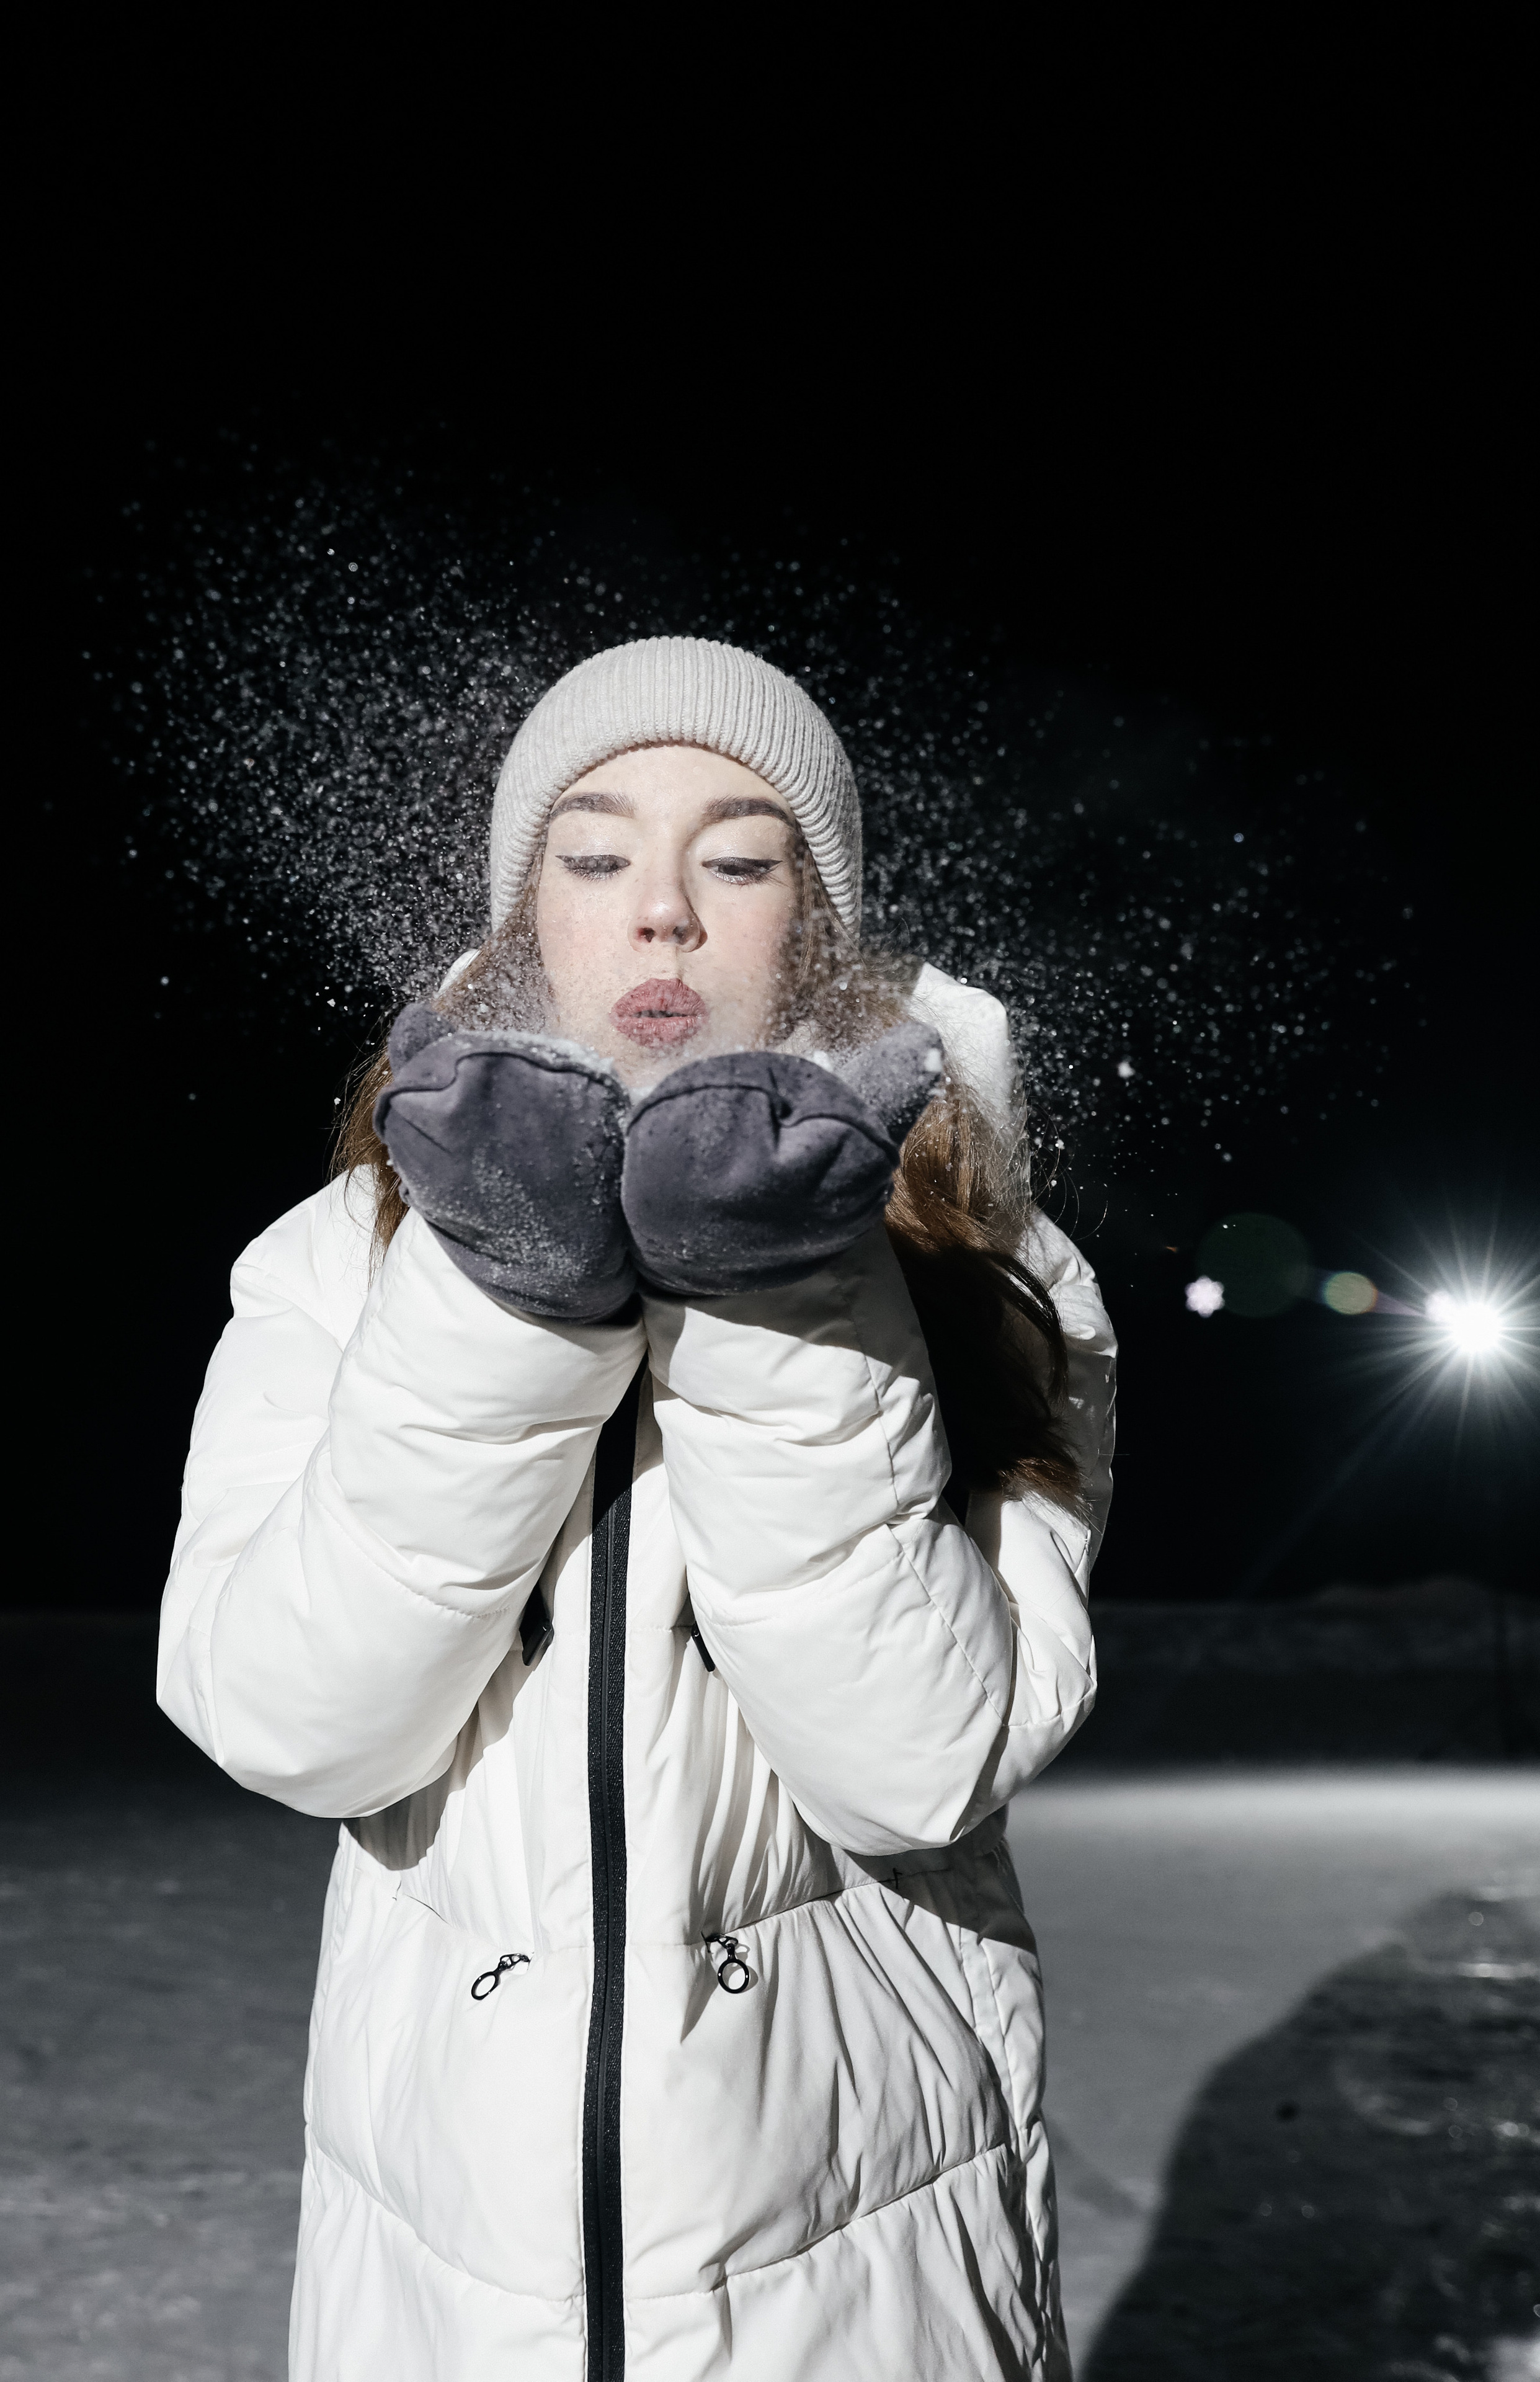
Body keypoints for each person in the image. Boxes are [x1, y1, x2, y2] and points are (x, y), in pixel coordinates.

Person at [158, 636, 1118, 2381]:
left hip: (866, 2284)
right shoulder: (343, 1263)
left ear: (816, 919)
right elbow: (292, 1724)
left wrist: (781, 1300)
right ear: (532, 914)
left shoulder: (995, 1272)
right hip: (441, 2295)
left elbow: (914, 1765)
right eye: (596, 856)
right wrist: (504, 1303)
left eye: (740, 859)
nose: (663, 913)